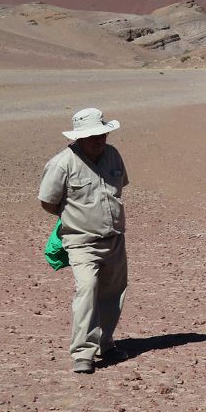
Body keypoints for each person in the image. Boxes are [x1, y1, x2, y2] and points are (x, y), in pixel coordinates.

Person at [38, 108, 130, 374]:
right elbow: (47, 201)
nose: (99, 140)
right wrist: (74, 217)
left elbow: (119, 185)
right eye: (92, 136)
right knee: (87, 289)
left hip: (114, 239)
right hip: (81, 241)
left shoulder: (112, 155)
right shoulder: (62, 163)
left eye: (102, 134)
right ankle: (82, 353)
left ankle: (105, 342)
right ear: (79, 138)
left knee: (114, 292)